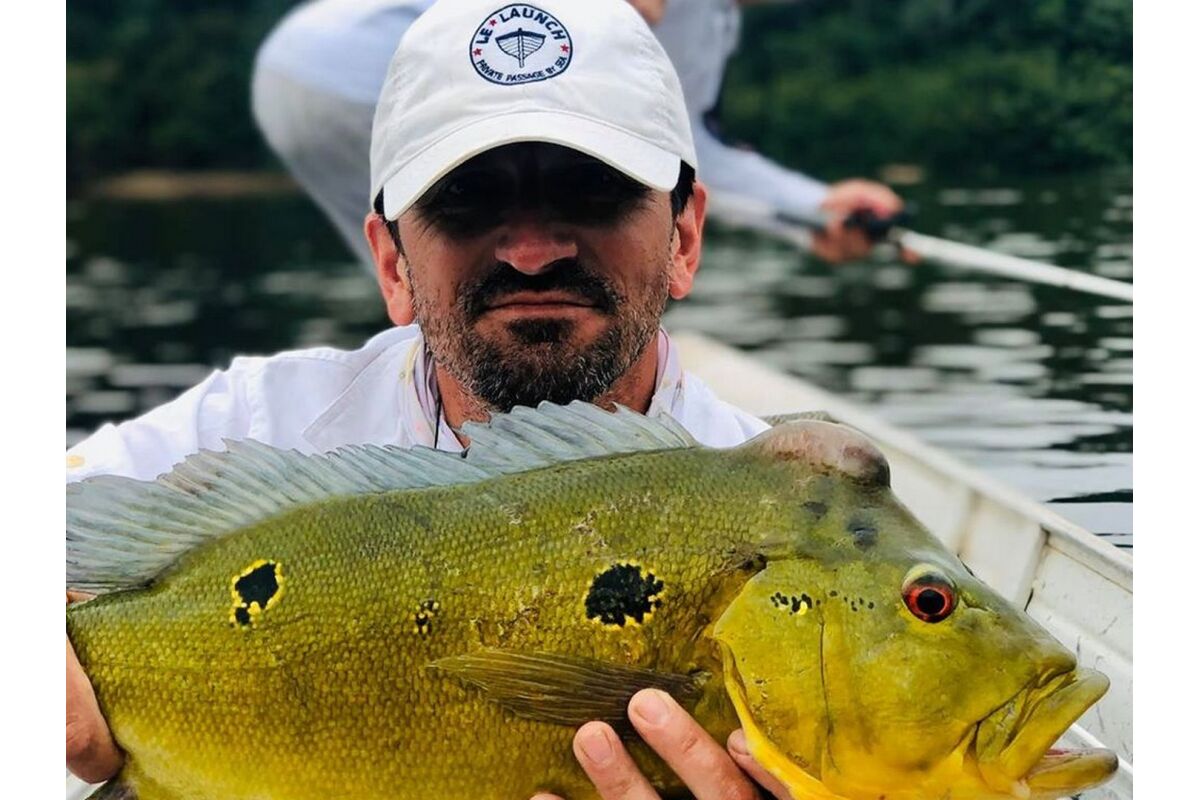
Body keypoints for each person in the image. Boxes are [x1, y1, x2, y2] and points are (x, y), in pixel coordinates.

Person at [68, 1, 796, 797]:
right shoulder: (246, 428)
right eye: (467, 200)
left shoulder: (793, 524)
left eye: (591, 192)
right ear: (391, 265)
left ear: (684, 237)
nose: (532, 252)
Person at [251, 0, 904, 272]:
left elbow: (683, 145)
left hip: (296, 71)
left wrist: (812, 208)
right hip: (367, 71)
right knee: (604, 249)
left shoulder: (707, 18)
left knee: (426, 293)